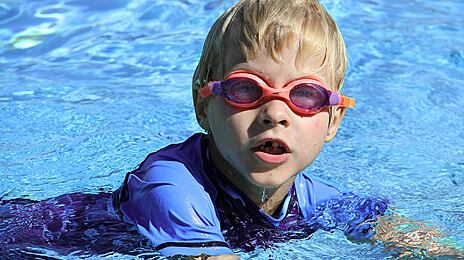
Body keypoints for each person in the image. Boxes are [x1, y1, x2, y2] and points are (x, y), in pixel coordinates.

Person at [111, 0, 464, 258]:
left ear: (333, 121)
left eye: (305, 95)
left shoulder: (316, 200)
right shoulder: (169, 182)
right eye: (246, 88)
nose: (275, 113)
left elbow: (415, 242)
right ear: (203, 106)